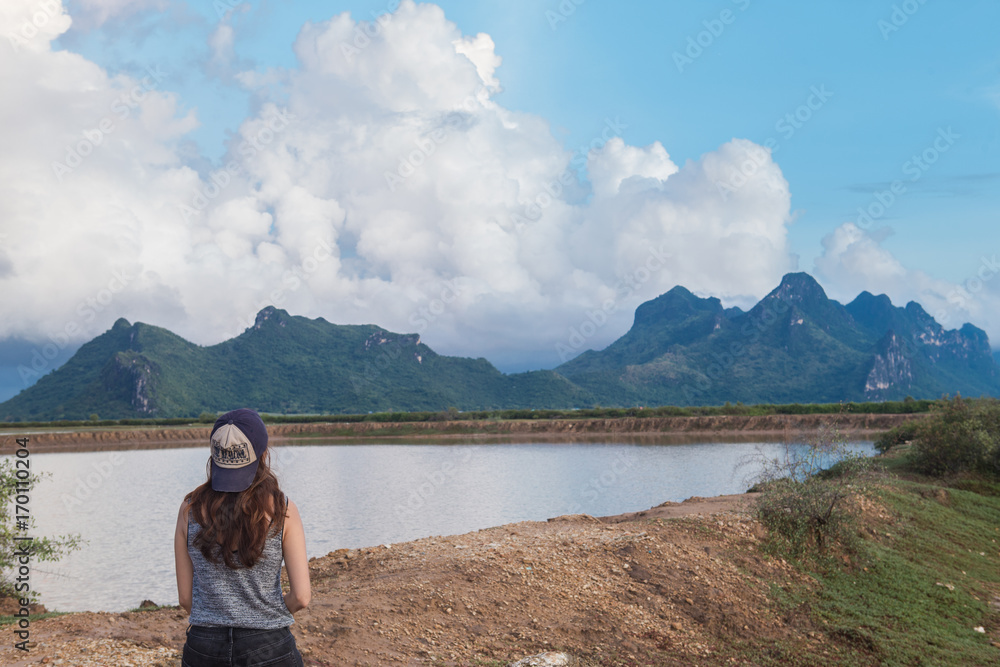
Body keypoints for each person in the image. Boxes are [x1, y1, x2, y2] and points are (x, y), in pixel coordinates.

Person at [174, 408, 311, 667]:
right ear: (263, 455)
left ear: (214, 456)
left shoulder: (189, 509)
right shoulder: (283, 509)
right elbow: (301, 597)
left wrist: (213, 619)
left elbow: (184, 598)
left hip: (204, 647)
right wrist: (266, 617)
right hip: (269, 646)